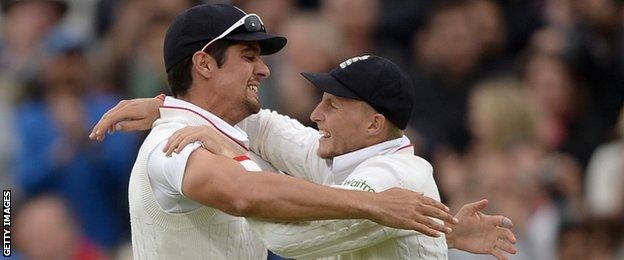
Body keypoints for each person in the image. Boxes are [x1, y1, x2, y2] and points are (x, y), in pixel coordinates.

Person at [89, 3, 460, 259]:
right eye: (249, 58)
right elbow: (242, 193)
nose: (264, 71)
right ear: (204, 64)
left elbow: (271, 137)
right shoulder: (173, 144)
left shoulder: (225, 133)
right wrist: (375, 206)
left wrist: (166, 104)